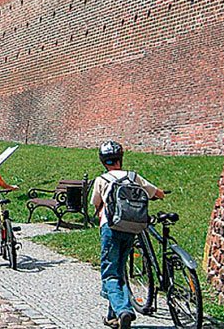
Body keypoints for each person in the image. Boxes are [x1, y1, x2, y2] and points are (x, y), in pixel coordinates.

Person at [91, 141, 164, 329]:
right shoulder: (133, 177)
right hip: (132, 228)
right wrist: (159, 195)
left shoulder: (102, 179)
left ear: (103, 161)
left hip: (111, 228)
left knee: (109, 274)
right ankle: (112, 317)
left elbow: (95, 203)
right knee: (120, 271)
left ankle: (124, 311)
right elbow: (156, 193)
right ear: (120, 158)